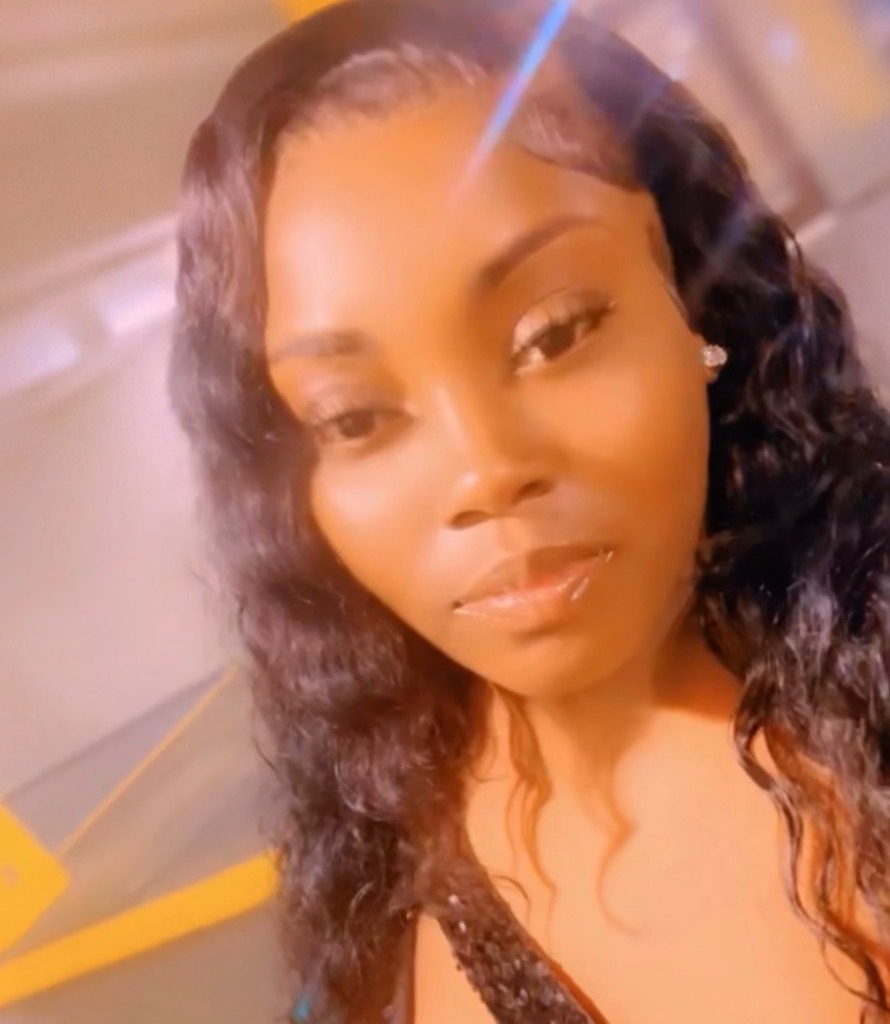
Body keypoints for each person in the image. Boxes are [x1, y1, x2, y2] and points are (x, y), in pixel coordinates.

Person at [169, 0, 890, 1021]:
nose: (486, 472)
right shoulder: (387, 882)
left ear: (687, 292)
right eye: (357, 417)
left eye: (554, 334)